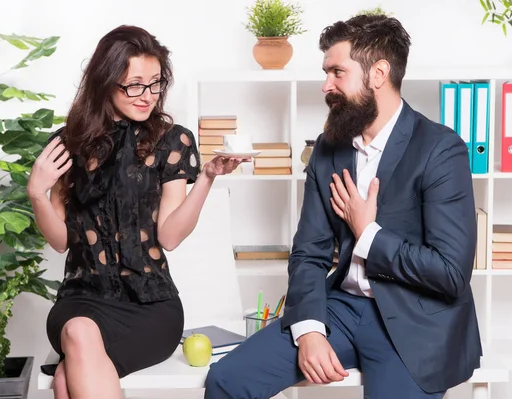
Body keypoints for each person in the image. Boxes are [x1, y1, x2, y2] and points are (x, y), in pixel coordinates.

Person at [204, 14, 481, 399]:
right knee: (226, 380)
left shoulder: (440, 149)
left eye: (337, 72)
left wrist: (368, 233)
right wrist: (310, 329)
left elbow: (451, 273)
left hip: (417, 323)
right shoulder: (328, 149)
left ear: (378, 74)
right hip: (343, 308)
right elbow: (309, 253)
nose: (325, 85)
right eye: (325, 73)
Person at [28, 25, 248, 399]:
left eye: (155, 83)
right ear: (105, 82)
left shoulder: (171, 140)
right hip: (81, 299)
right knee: (80, 333)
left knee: (68, 376)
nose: (147, 95)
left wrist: (207, 178)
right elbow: (61, 241)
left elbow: (170, 236)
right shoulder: (69, 143)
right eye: (133, 85)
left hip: (151, 307)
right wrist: (37, 192)